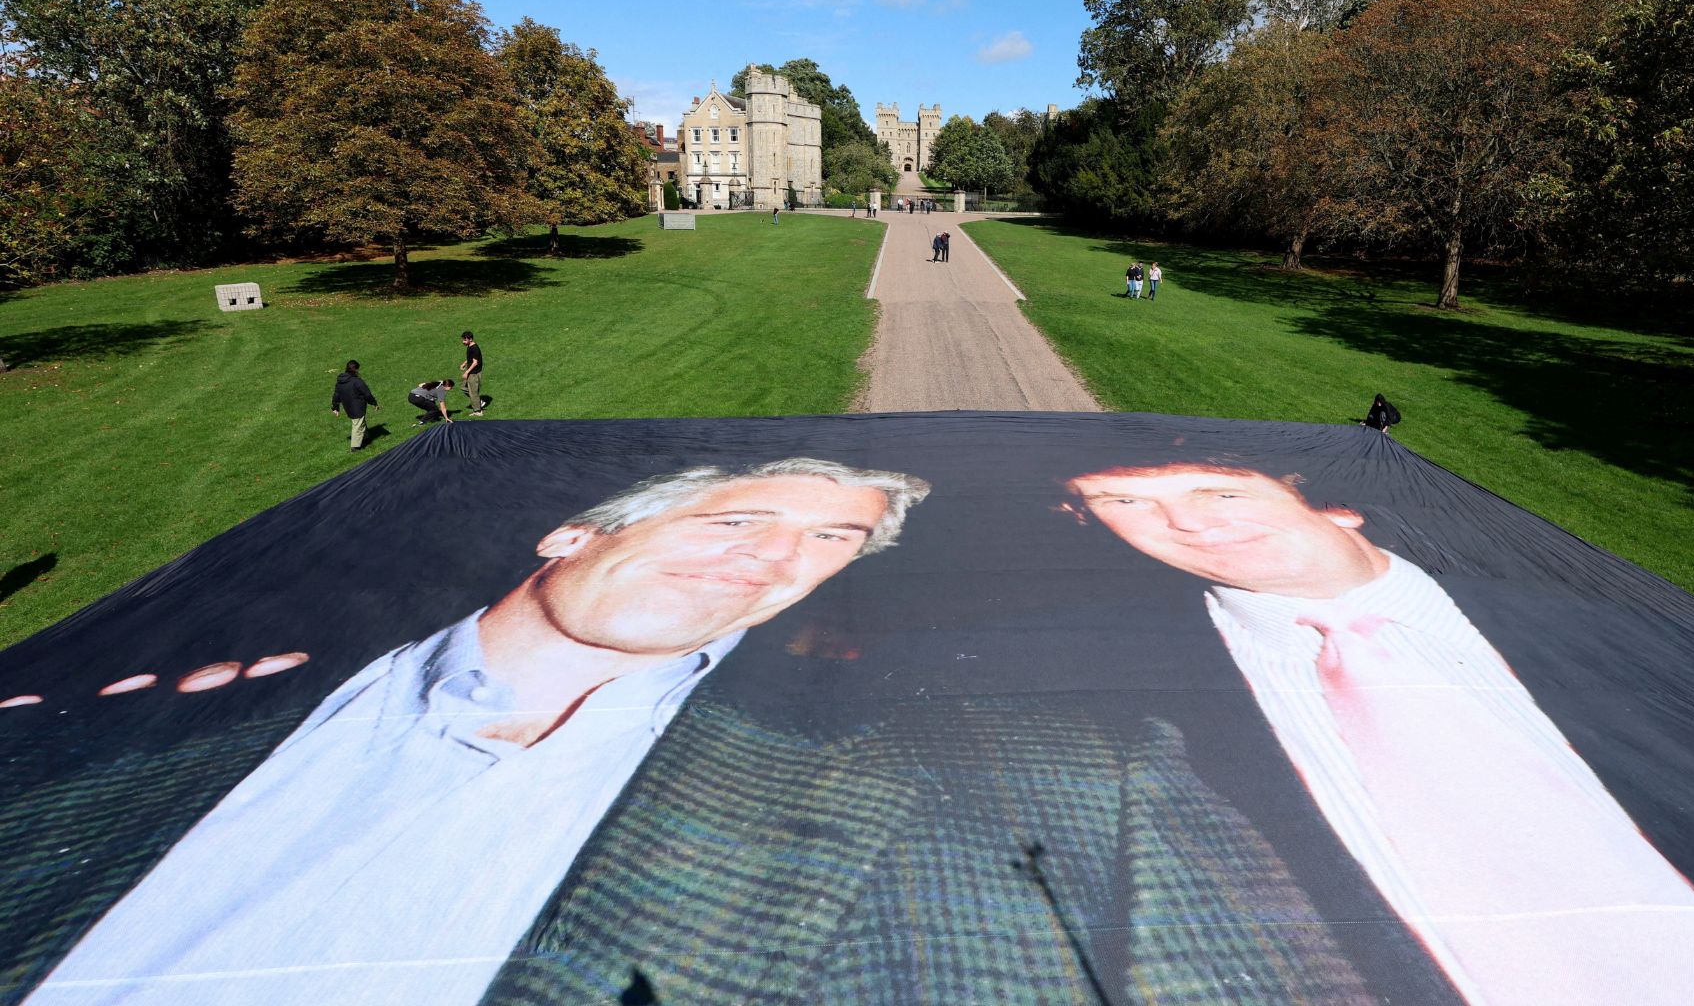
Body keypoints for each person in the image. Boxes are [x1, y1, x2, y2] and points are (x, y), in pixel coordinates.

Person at [7, 458, 1377, 1006]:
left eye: (829, 544)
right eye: (735, 520)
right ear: (568, 534)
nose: (769, 562)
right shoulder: (88, 747)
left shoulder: (1059, 784)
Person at [1057, 459, 1694, 1006]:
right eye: (1125, 500)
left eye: (1219, 491)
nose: (1187, 522)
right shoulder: (1109, 693)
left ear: (1336, 509)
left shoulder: (1647, 650)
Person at [328, 360, 378, 451]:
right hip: (357, 407)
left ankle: (366, 437)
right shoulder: (357, 381)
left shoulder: (340, 382)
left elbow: (336, 396)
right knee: (357, 425)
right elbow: (367, 394)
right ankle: (355, 446)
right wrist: (374, 403)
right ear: (356, 370)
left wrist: (335, 408)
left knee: (359, 422)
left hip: (348, 407)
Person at [459, 331, 485, 417]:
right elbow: (471, 358)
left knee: (473, 393)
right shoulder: (470, 346)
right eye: (463, 340)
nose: (463, 342)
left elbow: (475, 362)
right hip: (471, 372)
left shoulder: (475, 348)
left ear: (470, 339)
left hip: (474, 373)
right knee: (463, 387)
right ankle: (478, 401)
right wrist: (464, 363)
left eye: (465, 340)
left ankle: (478, 411)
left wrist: (466, 372)